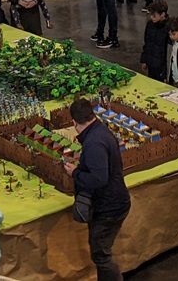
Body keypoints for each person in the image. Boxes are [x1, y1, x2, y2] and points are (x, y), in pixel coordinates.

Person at [64, 98, 131, 281]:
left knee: (101, 256)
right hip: (113, 202)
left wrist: (75, 173)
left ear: (74, 122)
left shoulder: (94, 142)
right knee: (101, 253)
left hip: (108, 208)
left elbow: (99, 179)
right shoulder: (101, 131)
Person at [139, 0, 169, 80]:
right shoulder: (150, 25)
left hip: (162, 67)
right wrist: (145, 60)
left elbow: (169, 52)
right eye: (151, 14)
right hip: (151, 65)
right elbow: (147, 43)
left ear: (162, 14)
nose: (151, 17)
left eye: (154, 15)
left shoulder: (168, 29)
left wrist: (166, 73)